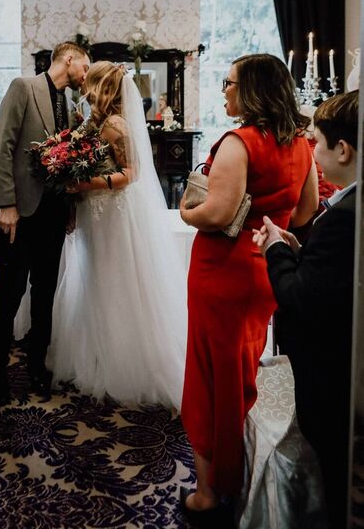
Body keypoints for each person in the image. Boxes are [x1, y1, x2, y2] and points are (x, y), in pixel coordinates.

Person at [178, 53, 318, 521]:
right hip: (264, 272)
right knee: (239, 376)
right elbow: (303, 213)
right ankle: (233, 475)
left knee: (209, 378)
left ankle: (210, 493)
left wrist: (185, 211)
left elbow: (216, 214)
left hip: (223, 272)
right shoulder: (301, 143)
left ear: (253, 88)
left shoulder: (239, 142)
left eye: (230, 82)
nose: (224, 89)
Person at [49, 61, 187, 408]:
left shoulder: (116, 126)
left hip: (113, 213)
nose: (82, 85)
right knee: (95, 279)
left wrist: (84, 183)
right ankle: (96, 354)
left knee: (113, 280)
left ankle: (122, 363)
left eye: (88, 81)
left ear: (100, 86)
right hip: (96, 213)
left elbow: (132, 173)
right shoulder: (93, 123)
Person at [254, 90, 358, 529]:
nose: (312, 149)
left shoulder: (344, 216)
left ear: (343, 149)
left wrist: (277, 249)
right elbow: (330, 280)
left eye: (316, 140)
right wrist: (302, 253)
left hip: (333, 374)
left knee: (335, 469)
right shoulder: (348, 206)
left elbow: (299, 301)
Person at [0, 41, 90, 407]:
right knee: (10, 293)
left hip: (53, 213)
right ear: (69, 59)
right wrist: (7, 203)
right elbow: (3, 147)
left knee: (45, 293)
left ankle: (37, 368)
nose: (86, 75)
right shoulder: (23, 87)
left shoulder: (71, 104)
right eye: (85, 67)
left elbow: (67, 163)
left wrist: (71, 208)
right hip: (20, 213)